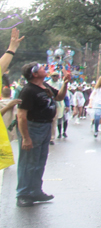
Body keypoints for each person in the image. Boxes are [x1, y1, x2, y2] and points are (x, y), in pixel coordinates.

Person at [16, 62, 70, 207]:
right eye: (41, 68)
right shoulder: (28, 90)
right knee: (28, 162)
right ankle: (23, 193)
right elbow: (21, 115)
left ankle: (35, 190)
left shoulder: (45, 86)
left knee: (39, 161)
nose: (44, 69)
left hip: (45, 126)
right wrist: (26, 137)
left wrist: (65, 84)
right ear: (34, 74)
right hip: (33, 127)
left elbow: (58, 97)